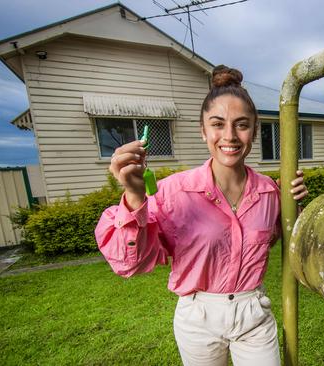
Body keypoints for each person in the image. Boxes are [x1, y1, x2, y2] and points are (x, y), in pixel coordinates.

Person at [95, 65, 308, 366]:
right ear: (203, 130)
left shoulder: (270, 192)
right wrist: (133, 197)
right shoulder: (171, 193)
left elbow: (285, 240)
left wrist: (295, 204)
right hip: (198, 318)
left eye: (242, 124)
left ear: (255, 132)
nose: (230, 136)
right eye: (218, 124)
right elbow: (130, 263)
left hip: (253, 314)